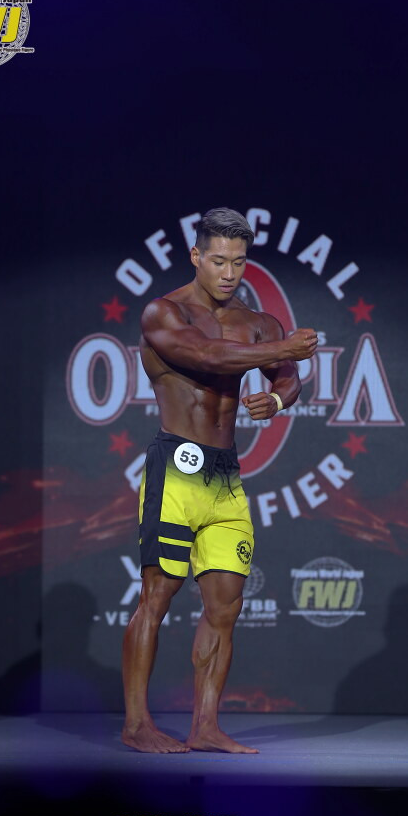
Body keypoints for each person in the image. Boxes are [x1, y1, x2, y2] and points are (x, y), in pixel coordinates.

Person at [121, 207, 318, 753]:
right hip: (175, 469)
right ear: (196, 256)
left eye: (238, 262)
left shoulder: (258, 322)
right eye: (218, 261)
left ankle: (205, 725)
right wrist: (284, 349)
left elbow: (289, 378)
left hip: (226, 476)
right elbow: (207, 356)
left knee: (226, 605)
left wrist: (278, 399)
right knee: (157, 596)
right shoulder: (164, 312)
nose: (229, 273)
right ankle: (136, 725)